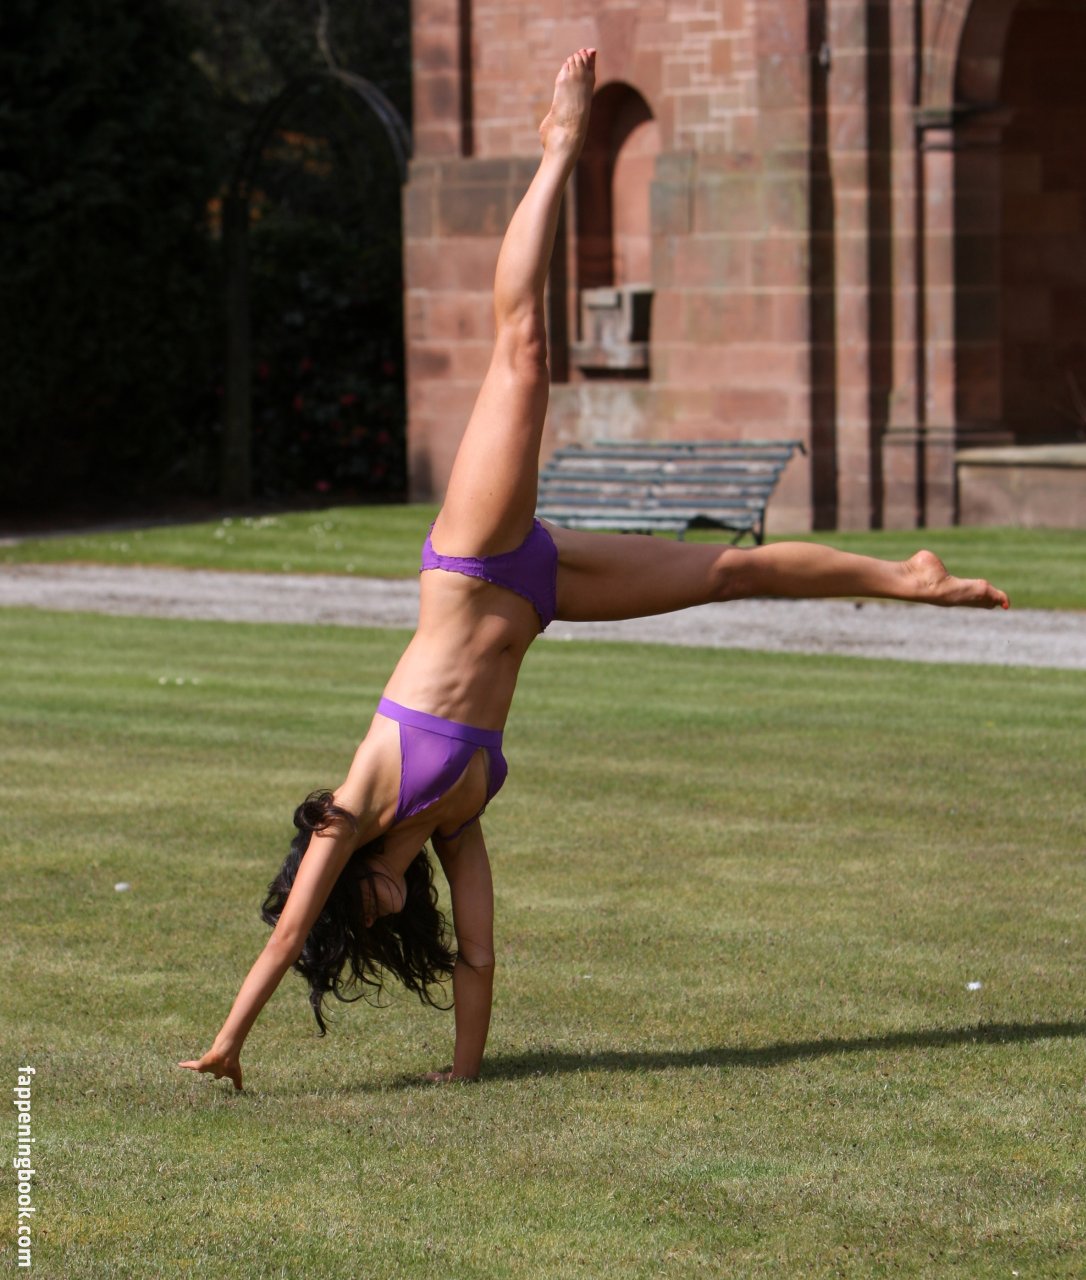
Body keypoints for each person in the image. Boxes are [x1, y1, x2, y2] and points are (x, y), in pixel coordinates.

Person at [179, 49, 1009, 1091]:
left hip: (477, 560)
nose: (377, 926)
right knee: (726, 574)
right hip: (540, 589)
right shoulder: (454, 823)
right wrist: (463, 1074)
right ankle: (910, 577)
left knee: (522, 349)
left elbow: (285, 934)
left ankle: (561, 147)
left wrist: (230, 1041)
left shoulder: (353, 809)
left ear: (348, 893)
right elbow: (480, 954)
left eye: (360, 921)